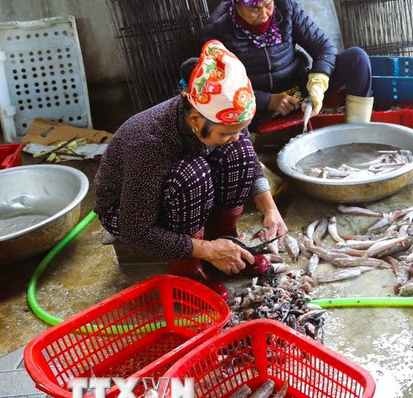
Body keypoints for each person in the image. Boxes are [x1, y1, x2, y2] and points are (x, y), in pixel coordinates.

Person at [94, 40, 288, 301]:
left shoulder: (211, 118)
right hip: (129, 213)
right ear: (196, 121)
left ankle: (224, 237)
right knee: (193, 174)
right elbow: (134, 230)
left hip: (175, 195)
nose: (235, 135)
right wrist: (205, 250)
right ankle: (187, 265)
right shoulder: (149, 143)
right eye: (226, 131)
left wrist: (270, 210)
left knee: (240, 150)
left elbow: (249, 160)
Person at [204, 0, 374, 130]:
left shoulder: (285, 6)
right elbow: (219, 86)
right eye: (254, 9)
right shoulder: (218, 30)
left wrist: (318, 81)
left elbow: (323, 47)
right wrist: (267, 100)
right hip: (255, 108)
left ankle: (357, 132)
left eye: (268, 5)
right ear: (236, 4)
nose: (264, 15)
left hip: (298, 92)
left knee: (357, 58)